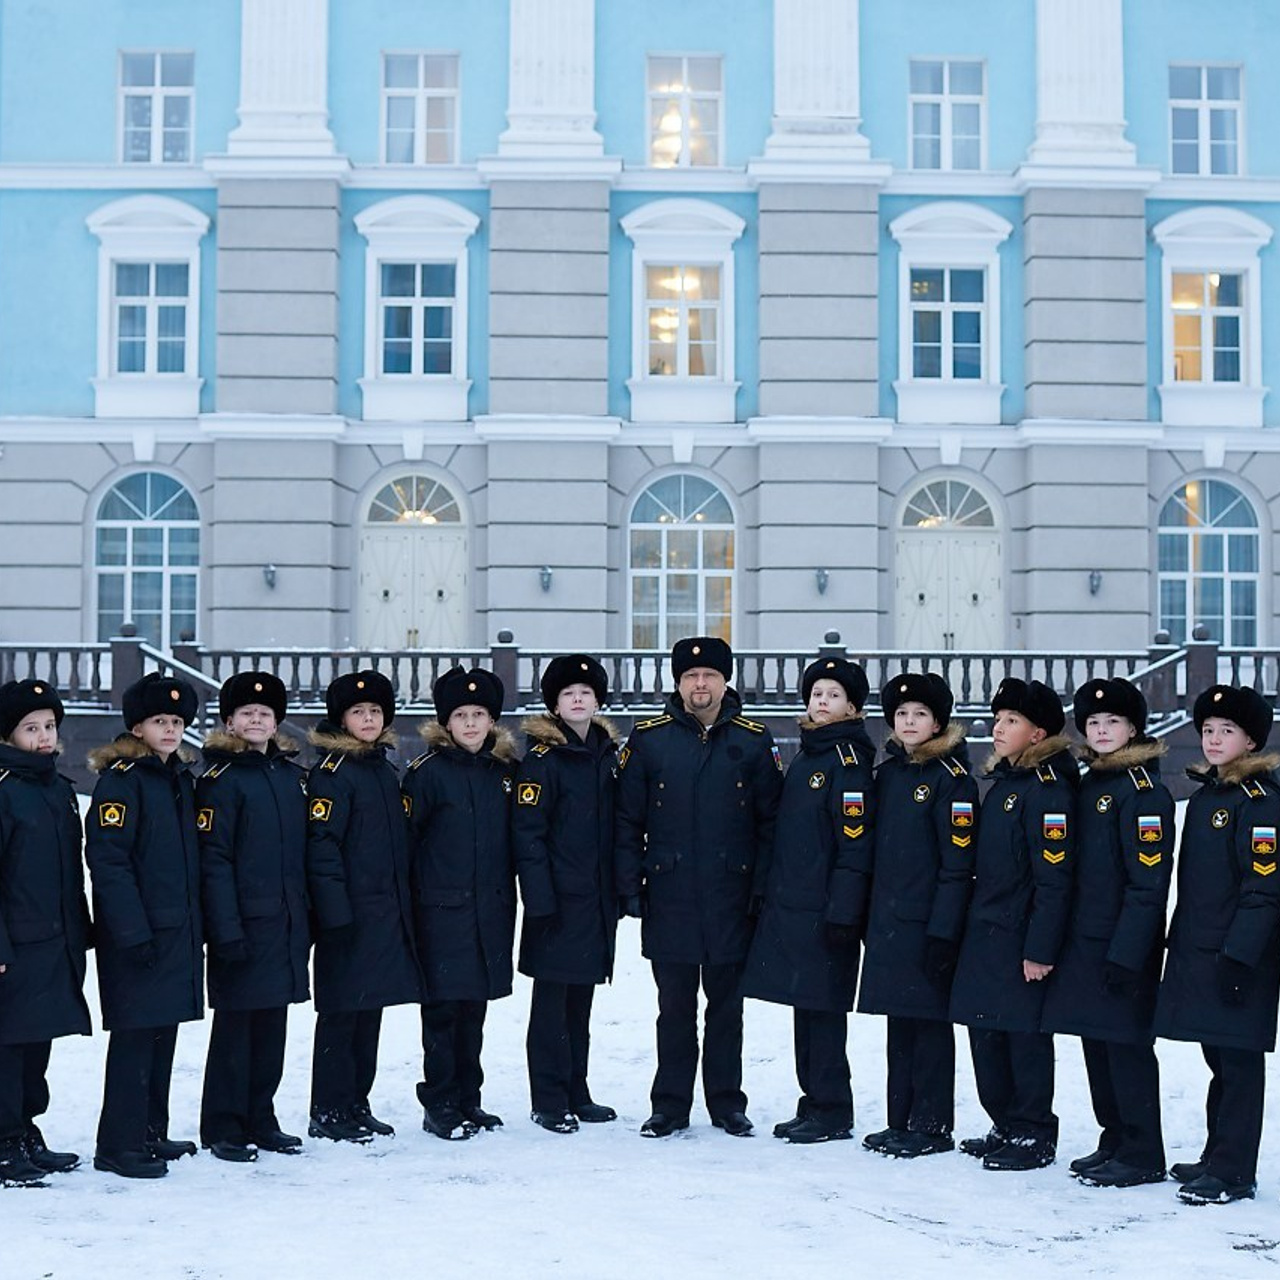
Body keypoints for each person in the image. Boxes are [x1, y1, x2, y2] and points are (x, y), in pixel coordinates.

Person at [616, 636, 783, 1139]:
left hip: (733, 896)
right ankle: (669, 1104)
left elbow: (771, 824)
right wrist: (631, 884)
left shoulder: (753, 741)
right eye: (691, 676)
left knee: (727, 1008)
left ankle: (727, 1103)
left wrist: (761, 890)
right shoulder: (649, 739)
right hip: (670, 895)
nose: (700, 684)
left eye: (709, 675)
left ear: (725, 680)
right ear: (678, 682)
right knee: (674, 1009)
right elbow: (627, 820)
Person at [1041, 678, 1174, 1188]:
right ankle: (1114, 1136)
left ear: (1133, 728)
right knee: (1096, 1045)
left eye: (1111, 722)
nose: (1100, 730)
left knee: (1126, 1048)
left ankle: (1142, 1152)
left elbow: (1147, 884)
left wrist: (1128, 952)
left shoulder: (1143, 792)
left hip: (1123, 946)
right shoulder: (1091, 781)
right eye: (1092, 723)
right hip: (1085, 941)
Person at [1155, 683, 1280, 1206]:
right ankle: (1216, 1155)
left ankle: (1234, 1170)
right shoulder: (1209, 794)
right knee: (1218, 1059)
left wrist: (1239, 956)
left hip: (1240, 956)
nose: (1213, 739)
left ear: (1251, 741)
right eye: (1207, 730)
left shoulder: (1260, 803)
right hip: (1203, 951)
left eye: (1226, 731)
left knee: (1239, 1064)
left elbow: (1265, 890)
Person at [741, 657, 874, 1144]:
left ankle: (833, 1108)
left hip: (826, 911)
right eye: (817, 694)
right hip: (794, 905)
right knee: (805, 1006)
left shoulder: (848, 762)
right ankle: (813, 1102)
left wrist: (843, 911)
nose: (822, 702)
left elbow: (853, 846)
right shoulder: (809, 755)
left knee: (823, 1011)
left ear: (852, 707)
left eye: (833, 695)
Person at [949, 678, 1075, 1172]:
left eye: (1012, 722)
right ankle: (1004, 1122)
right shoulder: (1006, 783)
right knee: (986, 1033)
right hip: (986, 933)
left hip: (1021, 937)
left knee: (1022, 1038)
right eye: (998, 720)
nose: (998, 729)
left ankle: (1032, 1132)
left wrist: (1040, 948)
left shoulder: (1048, 791)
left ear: (1038, 734)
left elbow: (1054, 879)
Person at [86, 672, 204, 1179]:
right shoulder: (121, 783)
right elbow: (110, 864)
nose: (171, 729)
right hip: (137, 936)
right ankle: (118, 1143)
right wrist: (132, 933)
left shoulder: (178, 779)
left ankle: (151, 1132)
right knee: (135, 1040)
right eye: (160, 721)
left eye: (177, 722)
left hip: (176, 931)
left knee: (162, 1037)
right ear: (137, 727)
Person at [858, 672, 976, 1158]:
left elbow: (958, 864)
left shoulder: (953, 781)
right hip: (887, 922)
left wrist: (943, 930)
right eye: (902, 714)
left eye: (920, 714)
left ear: (938, 723)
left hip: (928, 924)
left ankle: (930, 1125)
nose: (909, 722)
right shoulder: (887, 775)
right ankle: (899, 1118)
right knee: (898, 1022)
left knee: (928, 1024)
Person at [197, 672, 310, 1162]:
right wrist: (225, 929)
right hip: (241, 925)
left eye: (265, 713)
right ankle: (224, 1124)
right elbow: (214, 861)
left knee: (272, 1028)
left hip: (283, 923)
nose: (257, 719)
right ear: (229, 721)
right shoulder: (220, 781)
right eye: (247, 713)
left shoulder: (288, 776)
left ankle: (261, 1116)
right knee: (236, 1030)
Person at [306, 670, 422, 1143]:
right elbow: (322, 847)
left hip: (381, 913)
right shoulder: (333, 775)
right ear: (342, 719)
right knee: (341, 1015)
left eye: (375, 711)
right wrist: (335, 915)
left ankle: (357, 1101)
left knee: (368, 1011)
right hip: (346, 917)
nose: (369, 719)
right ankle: (329, 1109)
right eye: (359, 712)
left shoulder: (381, 768)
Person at [403, 667, 517, 1140]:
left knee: (475, 1010)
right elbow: (407, 847)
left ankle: (469, 1099)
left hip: (489, 911)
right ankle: (441, 1102)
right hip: (441, 914)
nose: (471, 724)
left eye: (479, 715)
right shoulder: (425, 775)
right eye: (461, 715)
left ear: (491, 721)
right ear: (446, 723)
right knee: (444, 1013)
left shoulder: (503, 773)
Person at [514, 655, 620, 1134]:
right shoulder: (542, 759)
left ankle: (578, 1090)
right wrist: (539, 900)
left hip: (594, 900)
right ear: (555, 706)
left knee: (581, 1003)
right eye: (568, 694)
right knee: (552, 1004)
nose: (578, 700)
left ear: (597, 701)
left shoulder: (606, 753)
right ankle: (549, 1098)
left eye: (585, 693)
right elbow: (528, 835)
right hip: (555, 901)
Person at [0, 680, 92, 1185]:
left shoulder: (58, 789)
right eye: (30, 728)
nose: (42, 737)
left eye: (49, 727)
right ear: (9, 736)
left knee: (39, 1041)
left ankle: (27, 1128)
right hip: (14, 942)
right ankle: (4, 1138)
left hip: (55, 938)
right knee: (9, 1045)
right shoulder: (5, 791)